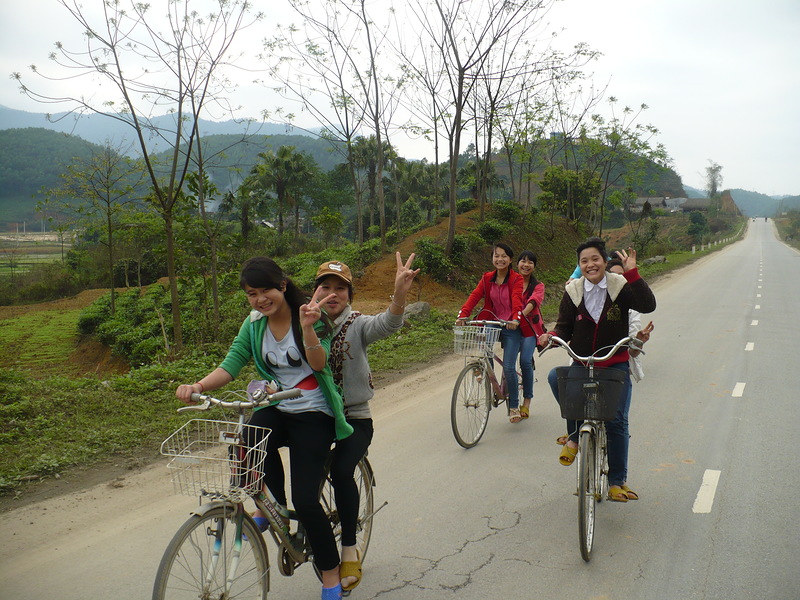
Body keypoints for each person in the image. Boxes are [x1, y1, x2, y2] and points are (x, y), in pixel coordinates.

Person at [175, 256, 352, 600]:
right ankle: (276, 513)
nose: (259, 299)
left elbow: (319, 364)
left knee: (307, 499)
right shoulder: (254, 323)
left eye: (265, 290)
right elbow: (232, 363)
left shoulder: (311, 315)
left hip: (314, 412)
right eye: (252, 294)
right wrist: (197, 386)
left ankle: (330, 575)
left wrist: (308, 329)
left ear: (282, 286)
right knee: (249, 440)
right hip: (277, 405)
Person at [312, 252, 419, 592]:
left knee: (343, 471)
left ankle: (348, 548)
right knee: (306, 475)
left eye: (340, 289)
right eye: (325, 287)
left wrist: (399, 293)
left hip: (355, 418)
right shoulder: (305, 324)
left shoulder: (356, 324)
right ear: (314, 292)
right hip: (316, 417)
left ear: (349, 296)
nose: (332, 293)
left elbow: (387, 324)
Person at [538, 239, 656, 503]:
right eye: (584, 261)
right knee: (555, 378)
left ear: (603, 261)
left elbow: (648, 305)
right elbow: (564, 327)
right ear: (580, 266)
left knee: (616, 420)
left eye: (595, 259)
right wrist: (551, 336)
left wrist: (632, 273)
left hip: (615, 364)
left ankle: (617, 481)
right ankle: (575, 435)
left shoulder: (620, 287)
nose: (590, 264)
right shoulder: (574, 291)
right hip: (583, 362)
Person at [456, 242, 524, 423]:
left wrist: (516, 318)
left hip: (511, 324)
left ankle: (514, 406)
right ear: (492, 258)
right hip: (493, 321)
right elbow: (475, 296)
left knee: (509, 367)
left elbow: (517, 299)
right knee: (483, 347)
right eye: (496, 256)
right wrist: (463, 314)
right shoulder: (487, 278)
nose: (499, 259)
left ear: (510, 260)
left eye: (504, 256)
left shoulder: (516, 279)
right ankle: (488, 377)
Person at [516, 250, 545, 419]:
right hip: (511, 328)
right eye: (523, 261)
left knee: (525, 361)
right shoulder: (510, 282)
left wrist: (519, 316)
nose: (526, 265)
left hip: (529, 329)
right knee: (508, 364)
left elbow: (534, 302)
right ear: (517, 263)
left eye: (530, 262)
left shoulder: (538, 286)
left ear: (534, 267)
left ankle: (526, 402)